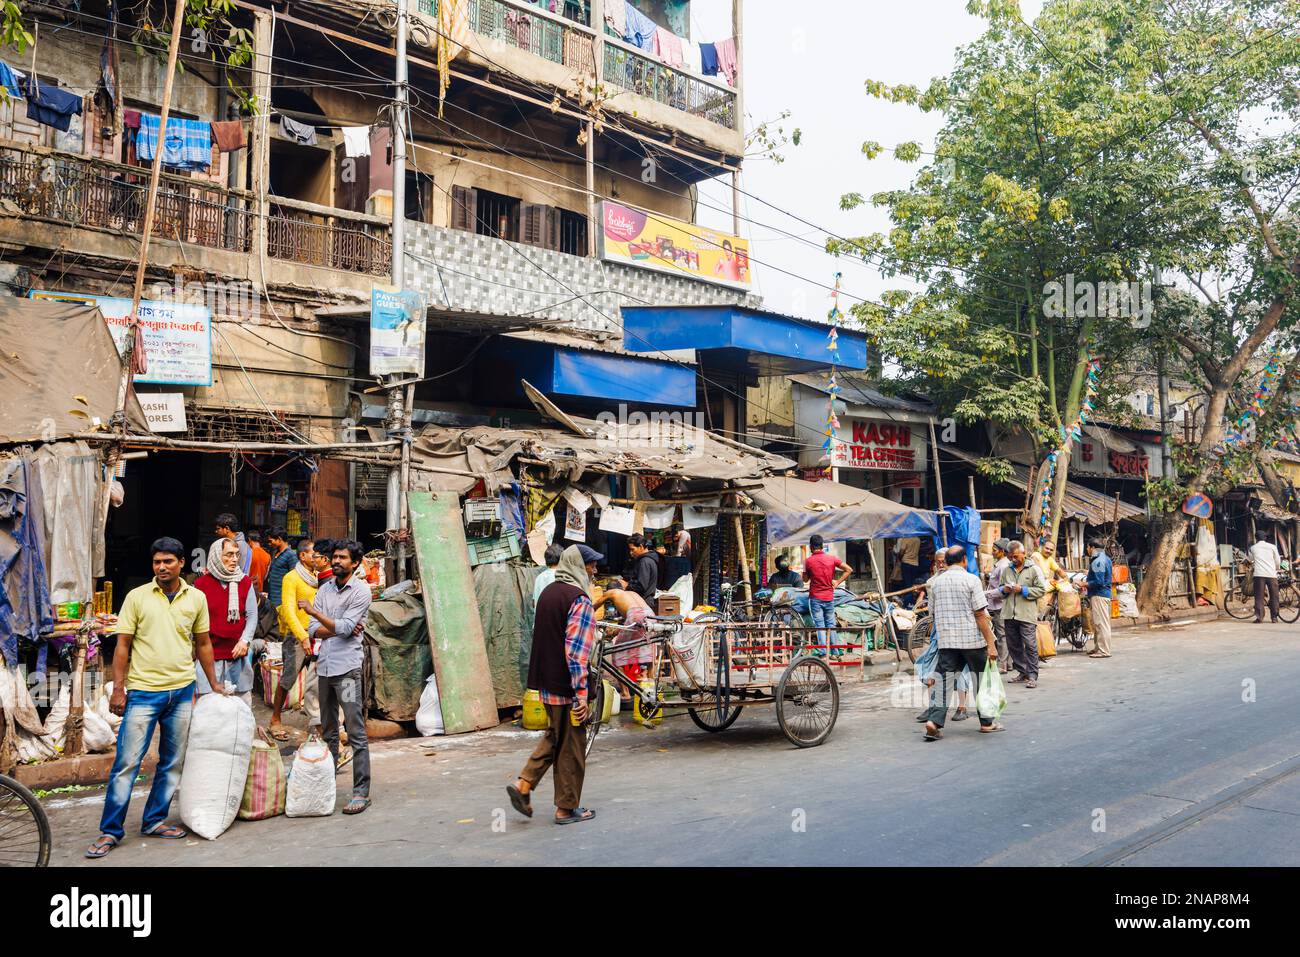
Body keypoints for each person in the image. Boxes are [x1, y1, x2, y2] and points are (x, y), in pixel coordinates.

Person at [86, 537, 227, 859]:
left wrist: (214, 683)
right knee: (127, 764)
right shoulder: (137, 597)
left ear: (181, 564)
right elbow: (122, 646)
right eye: (156, 562)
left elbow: (203, 643)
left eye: (167, 562)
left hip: (181, 691)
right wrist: (118, 688)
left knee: (172, 762)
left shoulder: (196, 598)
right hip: (144, 693)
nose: (161, 568)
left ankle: (154, 819)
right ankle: (110, 831)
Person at [508, 544, 602, 825]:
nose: (594, 570)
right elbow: (576, 652)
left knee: (556, 737)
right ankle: (565, 808)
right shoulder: (579, 600)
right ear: (578, 565)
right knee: (572, 746)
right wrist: (581, 695)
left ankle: (524, 784)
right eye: (590, 565)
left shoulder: (549, 593)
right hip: (567, 685)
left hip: (547, 683)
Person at [301, 540, 373, 814]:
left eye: (342, 557)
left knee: (355, 731)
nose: (336, 561)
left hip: (346, 671)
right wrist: (338, 627)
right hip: (325, 668)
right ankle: (327, 785)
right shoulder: (325, 589)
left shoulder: (361, 591)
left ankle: (361, 792)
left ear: (355, 563)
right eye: (334, 557)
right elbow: (314, 631)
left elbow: (338, 627)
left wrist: (317, 614)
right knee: (328, 730)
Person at [921, 545, 1003, 741]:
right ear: (964, 560)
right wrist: (990, 643)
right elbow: (980, 614)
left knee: (943, 681)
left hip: (947, 641)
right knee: (981, 680)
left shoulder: (936, 583)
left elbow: (932, 614)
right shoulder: (971, 580)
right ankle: (987, 722)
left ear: (947, 562)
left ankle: (934, 721)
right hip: (972, 641)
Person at [192, 538, 258, 704]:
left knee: (240, 707)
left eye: (237, 555)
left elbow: (251, 616)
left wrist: (245, 641)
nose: (235, 559)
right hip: (208, 658)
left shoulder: (244, 582)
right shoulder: (200, 585)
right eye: (229, 555)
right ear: (216, 556)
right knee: (207, 707)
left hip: (237, 657)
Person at [271, 538, 319, 740]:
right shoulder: (291, 578)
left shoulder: (318, 577)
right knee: (288, 679)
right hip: (297, 636)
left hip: (317, 635)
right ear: (303, 556)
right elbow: (289, 611)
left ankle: (317, 724)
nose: (317, 558)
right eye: (313, 554)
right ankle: (275, 719)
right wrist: (302, 637)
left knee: (317, 683)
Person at [1000, 541, 1047, 688]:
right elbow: (1000, 589)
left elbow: (1041, 590)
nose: (1013, 560)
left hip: (1026, 614)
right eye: (1010, 557)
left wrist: (1023, 590)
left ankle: (1032, 675)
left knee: (1030, 645)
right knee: (1013, 645)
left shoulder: (1034, 569)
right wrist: (1004, 590)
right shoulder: (1007, 570)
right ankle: (1022, 672)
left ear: (1023, 553)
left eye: (1015, 557)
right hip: (1009, 614)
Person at [803, 534, 851, 657]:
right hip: (829, 597)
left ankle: (823, 652)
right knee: (831, 624)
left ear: (811, 547)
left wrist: (806, 573)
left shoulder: (808, 561)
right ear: (822, 546)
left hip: (815, 598)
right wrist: (837, 582)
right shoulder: (832, 559)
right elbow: (849, 569)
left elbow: (805, 580)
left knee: (820, 625)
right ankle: (835, 652)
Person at [595, 584, 652, 683]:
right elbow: (628, 625)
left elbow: (593, 608)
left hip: (635, 616)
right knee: (644, 648)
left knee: (618, 652)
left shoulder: (611, 592)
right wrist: (614, 633)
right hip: (650, 616)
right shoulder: (632, 593)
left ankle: (626, 694)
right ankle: (651, 685)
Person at [983, 539, 1013, 673]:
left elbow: (1004, 589)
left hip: (999, 605)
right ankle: (1008, 663)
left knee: (1002, 635)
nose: (992, 552)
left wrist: (987, 593)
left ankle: (1003, 664)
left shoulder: (1003, 566)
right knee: (1001, 634)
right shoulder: (999, 564)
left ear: (1002, 552)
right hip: (994, 605)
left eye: (995, 550)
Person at [264, 525, 298, 635]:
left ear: (279, 539)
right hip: (273, 598)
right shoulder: (276, 553)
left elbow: (294, 577)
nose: (269, 544)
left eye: (271, 541)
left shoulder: (291, 555)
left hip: (282, 599)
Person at [1085, 539, 1114, 658]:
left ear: (1092, 547)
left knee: (1101, 624)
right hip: (1102, 595)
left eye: (1087, 547)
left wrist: (1083, 584)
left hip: (1099, 595)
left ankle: (1104, 651)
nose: (1087, 550)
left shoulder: (1098, 560)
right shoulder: (1104, 558)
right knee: (1099, 623)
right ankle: (1098, 648)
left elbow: (1098, 581)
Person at [1249, 533, 1282, 624]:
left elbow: (1251, 559)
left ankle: (1259, 617)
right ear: (1265, 538)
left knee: (1259, 597)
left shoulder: (1253, 548)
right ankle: (1274, 618)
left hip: (1259, 574)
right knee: (1274, 596)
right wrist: (1275, 568)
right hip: (1271, 574)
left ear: (1256, 538)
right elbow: (1277, 561)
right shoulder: (1272, 547)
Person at [619, 533, 659, 601]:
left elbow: (641, 586)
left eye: (632, 549)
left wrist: (627, 585)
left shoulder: (644, 561)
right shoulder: (648, 559)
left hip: (644, 602)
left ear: (641, 546)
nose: (630, 552)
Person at [894, 536, 923, 608]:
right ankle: (913, 601)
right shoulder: (918, 539)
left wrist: (899, 558)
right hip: (915, 563)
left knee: (907, 584)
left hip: (906, 562)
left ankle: (908, 602)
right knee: (913, 583)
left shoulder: (906, 539)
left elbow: (901, 551)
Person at [247, 530, 271, 595]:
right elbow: (265, 576)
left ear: (249, 540)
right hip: (260, 590)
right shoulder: (268, 556)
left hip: (248, 588)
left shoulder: (248, 554)